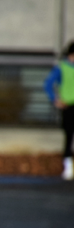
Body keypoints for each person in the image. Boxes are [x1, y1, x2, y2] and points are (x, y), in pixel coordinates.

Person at [44, 40, 74, 180]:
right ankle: (67, 167)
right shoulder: (62, 67)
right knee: (68, 137)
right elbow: (48, 84)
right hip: (68, 106)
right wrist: (55, 100)